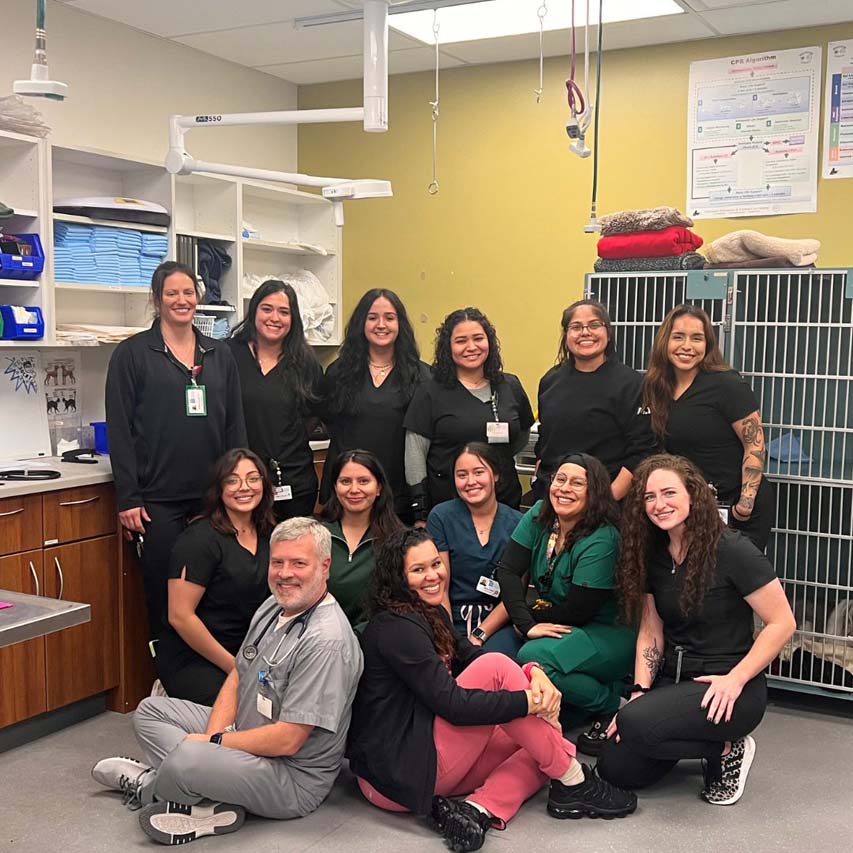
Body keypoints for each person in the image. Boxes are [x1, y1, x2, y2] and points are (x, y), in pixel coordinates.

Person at [347, 528, 636, 853]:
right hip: (396, 775)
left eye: (435, 564)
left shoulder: (429, 613)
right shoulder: (396, 628)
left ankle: (478, 810)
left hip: (426, 759)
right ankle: (575, 780)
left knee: (545, 742)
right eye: (418, 570)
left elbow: (469, 654)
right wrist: (528, 701)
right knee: (500, 672)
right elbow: (453, 704)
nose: (432, 576)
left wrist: (533, 672)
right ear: (397, 578)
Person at [91, 517, 364, 846]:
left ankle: (152, 786)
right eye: (277, 562)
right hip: (244, 731)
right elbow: (240, 672)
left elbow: (288, 740)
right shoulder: (274, 606)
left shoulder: (326, 642)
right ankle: (212, 801)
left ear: (324, 566)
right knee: (150, 711)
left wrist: (212, 747)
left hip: (290, 777)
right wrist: (214, 736)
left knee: (188, 757)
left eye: (298, 563)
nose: (285, 573)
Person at [596, 454, 796, 805]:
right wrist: (640, 692)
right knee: (615, 768)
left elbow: (783, 623)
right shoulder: (653, 552)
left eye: (669, 493)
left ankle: (727, 746)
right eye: (649, 497)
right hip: (675, 683)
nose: (659, 504)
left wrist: (736, 679)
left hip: (730, 689)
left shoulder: (733, 549)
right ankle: (709, 746)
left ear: (693, 493)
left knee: (636, 724)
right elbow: (650, 629)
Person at [106, 261, 247, 641]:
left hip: (213, 499)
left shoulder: (219, 354)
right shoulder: (132, 354)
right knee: (165, 595)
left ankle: (212, 680)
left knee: (216, 589)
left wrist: (241, 486)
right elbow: (119, 430)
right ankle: (169, 682)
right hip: (157, 502)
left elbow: (235, 424)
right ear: (157, 299)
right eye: (172, 293)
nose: (181, 300)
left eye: (188, 293)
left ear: (198, 299)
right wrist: (128, 497)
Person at [494, 453, 636, 738]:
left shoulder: (603, 538)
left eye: (577, 483)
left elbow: (578, 611)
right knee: (495, 657)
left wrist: (529, 621)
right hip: (554, 622)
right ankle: (569, 706)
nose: (564, 488)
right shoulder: (538, 514)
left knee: (533, 657)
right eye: (560, 479)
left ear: (594, 492)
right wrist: (526, 623)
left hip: (604, 630)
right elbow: (508, 571)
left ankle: (610, 701)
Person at [641, 304, 773, 550]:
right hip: (687, 506)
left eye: (697, 338)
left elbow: (755, 445)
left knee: (731, 581)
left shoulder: (727, 384)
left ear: (708, 344)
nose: (687, 346)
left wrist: (744, 506)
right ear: (664, 341)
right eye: (678, 337)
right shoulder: (656, 388)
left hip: (734, 504)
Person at [154, 449, 275, 705]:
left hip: (248, 651)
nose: (244, 487)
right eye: (232, 480)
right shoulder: (199, 540)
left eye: (253, 478)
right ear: (218, 488)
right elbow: (180, 616)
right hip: (198, 656)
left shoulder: (269, 533)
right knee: (244, 711)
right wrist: (235, 667)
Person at [404, 307, 534, 521]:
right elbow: (414, 453)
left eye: (478, 338)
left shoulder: (509, 385)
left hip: (504, 504)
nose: (471, 347)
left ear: (489, 342)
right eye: (461, 340)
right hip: (448, 506)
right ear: (448, 347)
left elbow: (521, 436)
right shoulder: (430, 392)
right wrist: (420, 512)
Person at [320, 288, 431, 522]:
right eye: (372, 318)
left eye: (390, 318)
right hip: (347, 492)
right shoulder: (338, 372)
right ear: (362, 323)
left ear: (400, 324)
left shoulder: (422, 376)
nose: (381, 325)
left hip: (399, 494)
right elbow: (328, 421)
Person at [535, 299, 655, 501]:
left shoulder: (632, 384)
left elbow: (641, 451)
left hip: (606, 499)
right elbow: (545, 439)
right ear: (566, 336)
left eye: (594, 325)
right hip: (555, 497)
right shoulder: (550, 380)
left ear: (608, 333)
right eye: (576, 327)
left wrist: (607, 499)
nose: (585, 332)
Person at [227, 280, 324, 522]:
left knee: (292, 553)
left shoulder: (306, 362)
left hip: (294, 480)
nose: (275, 318)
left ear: (294, 319)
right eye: (267, 308)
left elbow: (313, 415)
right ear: (254, 311)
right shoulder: (227, 354)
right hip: (241, 482)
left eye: (284, 311)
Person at [426, 443, 521, 649]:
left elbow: (515, 596)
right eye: (462, 475)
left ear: (495, 475)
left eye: (479, 472)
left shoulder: (519, 523)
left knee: (492, 662)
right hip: (447, 617)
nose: (470, 482)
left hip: (499, 623)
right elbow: (438, 586)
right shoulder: (441, 518)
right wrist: (449, 636)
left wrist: (479, 635)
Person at [321, 449, 403, 627]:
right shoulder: (314, 534)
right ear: (335, 488)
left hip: (377, 638)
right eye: (345, 481)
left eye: (364, 481)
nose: (354, 489)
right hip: (319, 638)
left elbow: (398, 604)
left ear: (379, 487)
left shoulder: (399, 540)